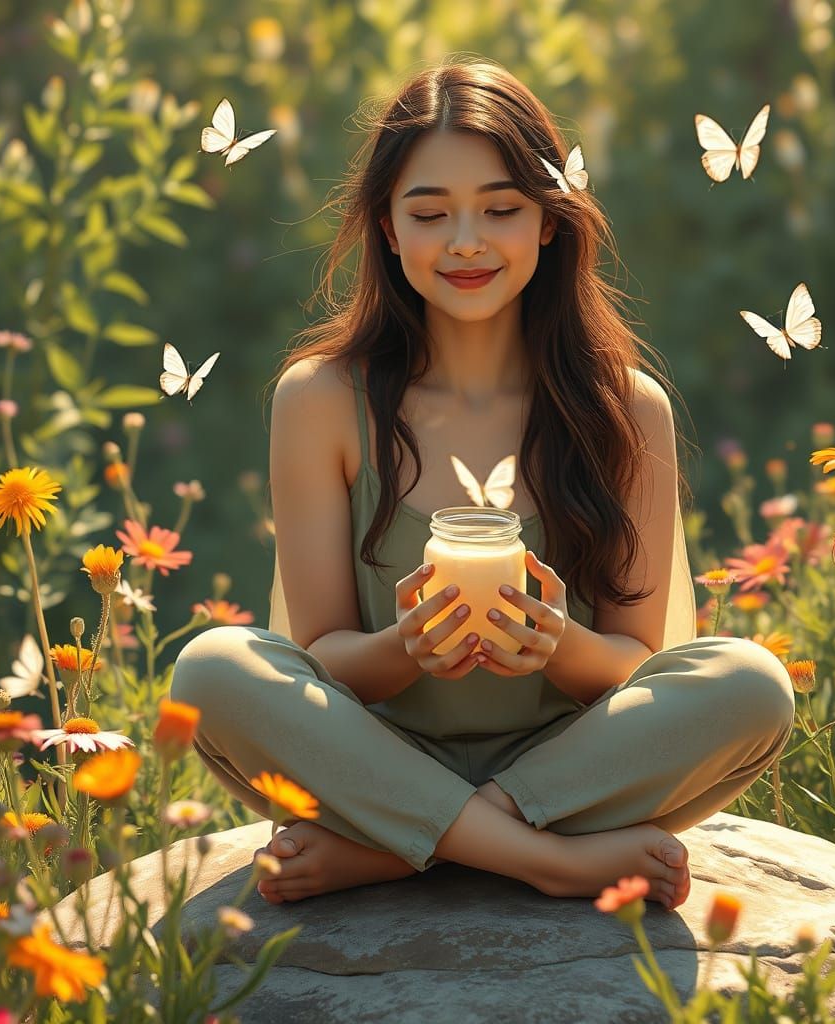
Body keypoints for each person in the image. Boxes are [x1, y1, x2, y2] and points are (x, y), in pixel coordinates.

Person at [170, 58, 795, 912]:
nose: (466, 241)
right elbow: (323, 657)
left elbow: (632, 662)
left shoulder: (625, 408)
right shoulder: (320, 400)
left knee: (752, 685)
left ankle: (408, 848)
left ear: (548, 222)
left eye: (501, 210)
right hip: (376, 753)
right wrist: (405, 648)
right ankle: (543, 859)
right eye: (430, 213)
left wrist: (555, 645)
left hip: (568, 765)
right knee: (211, 671)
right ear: (388, 230)